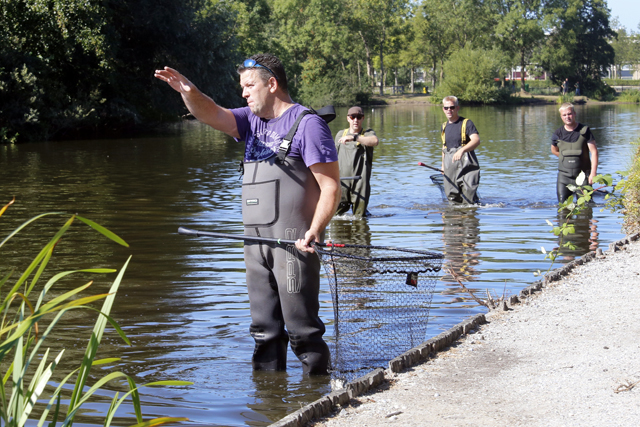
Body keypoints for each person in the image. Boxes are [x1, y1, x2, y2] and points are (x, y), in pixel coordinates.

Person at [154, 54, 341, 375]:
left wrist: (315, 230)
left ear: (272, 84)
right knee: (264, 331)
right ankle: (270, 406)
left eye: (249, 85)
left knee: (302, 331)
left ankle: (318, 397)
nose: (243, 93)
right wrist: (188, 91)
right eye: (242, 87)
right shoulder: (250, 122)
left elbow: (331, 188)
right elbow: (211, 113)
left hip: (294, 245)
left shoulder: (308, 125)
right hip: (254, 247)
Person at [334, 106, 379, 217]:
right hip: (342, 182)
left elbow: (375, 141)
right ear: (348, 118)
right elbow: (333, 157)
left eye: (359, 117)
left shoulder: (367, 133)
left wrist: (355, 138)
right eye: (353, 117)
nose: (355, 120)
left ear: (363, 118)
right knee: (335, 216)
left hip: (360, 183)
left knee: (359, 218)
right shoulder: (340, 134)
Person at [551, 103, 598, 203]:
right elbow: (554, 150)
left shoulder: (585, 131)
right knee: (563, 211)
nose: (567, 117)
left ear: (574, 114)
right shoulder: (557, 134)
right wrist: (565, 158)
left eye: (569, 114)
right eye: (564, 115)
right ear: (561, 117)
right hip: (564, 178)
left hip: (583, 176)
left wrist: (593, 173)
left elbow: (594, 152)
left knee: (585, 211)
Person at [440, 96, 481, 204]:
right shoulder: (444, 126)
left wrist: (462, 150)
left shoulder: (467, 123)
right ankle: (453, 219)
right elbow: (444, 147)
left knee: (469, 194)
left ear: (457, 108)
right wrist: (443, 166)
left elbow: (476, 140)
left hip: (467, 164)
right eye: (446, 108)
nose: (449, 110)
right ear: (443, 109)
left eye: (452, 107)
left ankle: (470, 218)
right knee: (452, 196)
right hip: (450, 165)